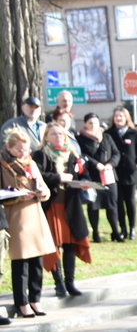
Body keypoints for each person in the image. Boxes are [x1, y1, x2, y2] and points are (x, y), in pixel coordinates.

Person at [1, 130, 57, 318]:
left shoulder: (31, 163)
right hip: (17, 217)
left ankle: (35, 298)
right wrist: (17, 196)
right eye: (19, 150)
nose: (23, 154)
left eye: (25, 150)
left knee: (36, 261)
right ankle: (22, 302)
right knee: (21, 261)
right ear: (9, 148)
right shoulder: (3, 165)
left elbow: (44, 188)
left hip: (35, 215)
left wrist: (43, 193)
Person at [33, 123, 90, 298]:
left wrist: (85, 183)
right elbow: (38, 176)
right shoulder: (40, 155)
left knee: (70, 245)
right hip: (51, 206)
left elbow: (83, 174)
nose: (58, 136)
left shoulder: (72, 154)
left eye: (61, 134)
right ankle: (59, 284)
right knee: (53, 246)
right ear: (46, 137)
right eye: (53, 134)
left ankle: (70, 282)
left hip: (70, 206)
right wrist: (59, 177)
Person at [78, 113, 123, 243]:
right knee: (93, 205)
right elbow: (82, 155)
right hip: (92, 176)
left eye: (96, 123)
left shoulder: (106, 137)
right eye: (90, 123)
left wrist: (110, 164)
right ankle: (96, 233)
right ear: (85, 124)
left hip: (108, 176)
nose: (93, 126)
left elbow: (116, 153)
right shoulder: (80, 139)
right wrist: (95, 164)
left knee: (112, 205)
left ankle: (116, 232)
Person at [107, 108, 137, 241]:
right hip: (115, 172)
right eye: (116, 116)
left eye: (121, 116)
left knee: (130, 201)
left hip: (131, 173)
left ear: (126, 118)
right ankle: (122, 228)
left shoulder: (134, 133)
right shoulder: (108, 134)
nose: (118, 118)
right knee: (118, 202)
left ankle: (132, 228)